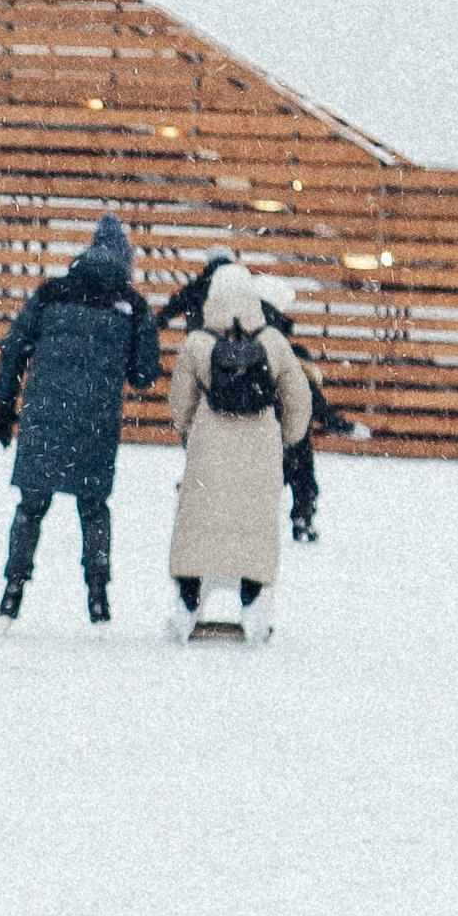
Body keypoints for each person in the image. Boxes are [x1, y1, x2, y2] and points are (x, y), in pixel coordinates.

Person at [0, 213, 160, 624]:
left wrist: (4, 406)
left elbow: (14, 350)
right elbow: (143, 376)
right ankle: (98, 596)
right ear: (125, 262)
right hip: (95, 421)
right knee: (93, 508)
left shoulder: (51, 293)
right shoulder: (133, 306)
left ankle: (12, 591)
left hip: (44, 416)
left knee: (31, 505)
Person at [164, 262, 313, 641]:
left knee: (199, 526)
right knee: (253, 526)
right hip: (260, 445)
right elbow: (298, 398)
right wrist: (288, 438)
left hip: (210, 445)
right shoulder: (274, 343)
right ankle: (252, 603)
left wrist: (190, 432)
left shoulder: (197, 344)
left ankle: (188, 601)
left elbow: (181, 404)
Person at [161, 254, 348, 543]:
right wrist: (325, 424)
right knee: (298, 466)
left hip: (233, 418)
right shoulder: (275, 340)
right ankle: (301, 516)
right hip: (269, 421)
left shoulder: (222, 329)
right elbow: (302, 395)